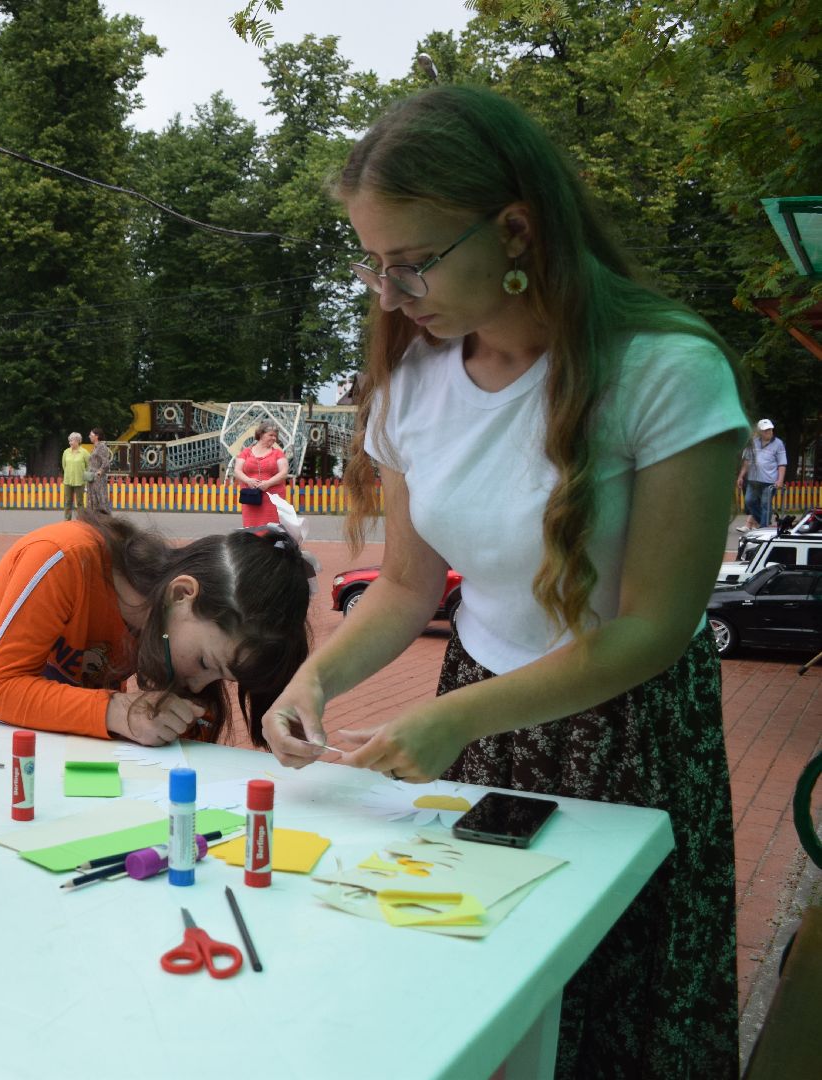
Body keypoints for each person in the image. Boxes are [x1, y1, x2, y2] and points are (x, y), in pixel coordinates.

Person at [259, 86, 746, 1077]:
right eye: (375, 266)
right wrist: (314, 681)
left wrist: (461, 719)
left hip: (631, 730)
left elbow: (654, 626)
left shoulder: (665, 370)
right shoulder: (416, 386)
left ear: (514, 229)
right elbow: (403, 587)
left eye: (413, 263)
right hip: (475, 713)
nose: (393, 296)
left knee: (619, 1003)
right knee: (479, 986)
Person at [0, 511, 315, 746]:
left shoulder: (163, 613)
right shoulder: (64, 558)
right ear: (182, 593)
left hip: (65, 737)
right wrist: (119, 712)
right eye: (205, 661)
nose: (201, 683)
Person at [233, 420, 289, 528]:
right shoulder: (246, 452)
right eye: (271, 435)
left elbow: (283, 473)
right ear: (261, 434)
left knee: (271, 529)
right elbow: (237, 470)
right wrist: (248, 480)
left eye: (275, 436)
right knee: (251, 528)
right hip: (251, 497)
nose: (274, 438)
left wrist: (268, 483)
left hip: (272, 498)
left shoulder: (278, 453)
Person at [736, 418, 787, 531]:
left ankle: (763, 528)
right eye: (766, 430)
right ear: (760, 431)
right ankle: (763, 522)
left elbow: (782, 463)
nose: (769, 432)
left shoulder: (778, 444)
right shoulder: (753, 442)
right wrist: (741, 476)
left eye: (770, 429)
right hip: (753, 479)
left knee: (765, 504)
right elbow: (747, 461)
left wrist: (780, 480)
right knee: (749, 501)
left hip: (769, 480)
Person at [60, 431, 89, 520]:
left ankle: (81, 520)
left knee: (80, 502)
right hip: (68, 480)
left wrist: (87, 481)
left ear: (77, 441)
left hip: (80, 481)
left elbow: (88, 467)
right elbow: (64, 465)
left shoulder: (84, 452)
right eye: (69, 441)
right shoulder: (66, 452)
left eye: (72, 440)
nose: (70, 442)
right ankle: (67, 520)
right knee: (68, 501)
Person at [84, 427, 114, 513]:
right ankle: (94, 520)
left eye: (91, 434)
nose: (89, 436)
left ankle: (105, 520)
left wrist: (99, 472)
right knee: (92, 499)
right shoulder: (95, 447)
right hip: (92, 477)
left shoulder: (102, 447)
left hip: (98, 478)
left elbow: (106, 463)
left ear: (96, 436)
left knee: (100, 499)